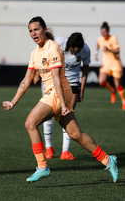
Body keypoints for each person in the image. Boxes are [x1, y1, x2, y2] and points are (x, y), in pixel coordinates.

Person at [2, 16, 118, 183]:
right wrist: (13, 101)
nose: (33, 33)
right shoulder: (35, 53)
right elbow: (26, 80)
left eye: (36, 29)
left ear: (44, 30)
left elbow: (56, 78)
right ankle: (108, 160)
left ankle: (42, 167)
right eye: (30, 31)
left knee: (30, 123)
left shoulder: (53, 48)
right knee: (75, 134)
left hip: (59, 92)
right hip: (55, 93)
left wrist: (63, 104)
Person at [33, 32, 91, 160]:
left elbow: (85, 68)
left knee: (68, 116)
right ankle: (49, 148)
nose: (76, 53)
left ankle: (65, 151)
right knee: (48, 116)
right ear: (69, 45)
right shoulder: (58, 43)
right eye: (74, 50)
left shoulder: (85, 49)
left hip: (72, 83)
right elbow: (42, 54)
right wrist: (37, 73)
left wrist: (82, 89)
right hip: (52, 82)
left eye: (78, 51)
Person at [95, 21, 125, 110]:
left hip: (116, 64)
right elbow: (98, 44)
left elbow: (118, 51)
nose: (103, 34)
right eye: (102, 33)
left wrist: (109, 49)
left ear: (108, 31)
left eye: (105, 32)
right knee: (101, 81)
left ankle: (124, 101)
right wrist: (96, 53)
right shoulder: (100, 39)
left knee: (118, 85)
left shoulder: (113, 38)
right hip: (106, 64)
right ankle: (112, 91)